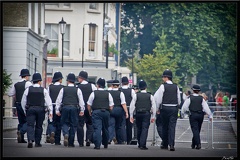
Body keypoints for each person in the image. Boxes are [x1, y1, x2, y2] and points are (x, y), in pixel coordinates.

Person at [21, 72, 53, 148]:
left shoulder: (28, 90)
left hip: (30, 109)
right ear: (39, 81)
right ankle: (37, 142)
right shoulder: (44, 90)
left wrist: (24, 110)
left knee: (30, 125)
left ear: (33, 81)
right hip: (41, 109)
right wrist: (50, 111)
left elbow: (23, 101)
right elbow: (48, 102)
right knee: (39, 126)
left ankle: (30, 140)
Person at [55, 73, 85, 147]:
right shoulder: (78, 90)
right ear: (74, 81)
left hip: (65, 107)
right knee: (73, 124)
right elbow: (81, 101)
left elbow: (58, 100)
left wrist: (57, 110)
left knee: (64, 122)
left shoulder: (63, 89)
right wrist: (82, 110)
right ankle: (71, 142)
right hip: (74, 108)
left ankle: (66, 134)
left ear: (68, 81)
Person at [154, 69, 181, 151]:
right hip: (174, 108)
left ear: (166, 77)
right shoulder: (176, 86)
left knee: (165, 126)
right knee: (172, 126)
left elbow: (159, 99)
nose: (163, 79)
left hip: (165, 108)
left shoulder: (163, 86)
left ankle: (165, 144)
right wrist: (177, 106)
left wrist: (158, 108)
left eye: (163, 77)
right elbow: (178, 99)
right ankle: (172, 144)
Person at [181, 85, 213, 150]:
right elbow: (206, 108)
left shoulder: (190, 98)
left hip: (192, 115)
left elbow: (184, 107)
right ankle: (193, 144)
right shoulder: (201, 99)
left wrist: (183, 113)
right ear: (199, 91)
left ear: (193, 90)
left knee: (195, 129)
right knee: (197, 129)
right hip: (200, 115)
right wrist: (210, 115)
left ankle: (198, 144)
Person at [87, 78, 114, 149]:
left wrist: (90, 111)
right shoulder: (108, 94)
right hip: (106, 112)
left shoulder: (93, 93)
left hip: (96, 112)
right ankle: (105, 144)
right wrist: (109, 111)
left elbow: (89, 104)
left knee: (97, 128)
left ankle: (97, 145)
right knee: (105, 128)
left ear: (98, 85)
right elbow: (111, 105)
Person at [129, 80, 156, 150]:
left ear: (139, 88)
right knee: (145, 128)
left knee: (139, 128)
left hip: (138, 113)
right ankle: (142, 144)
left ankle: (139, 142)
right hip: (146, 113)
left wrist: (131, 115)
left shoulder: (136, 95)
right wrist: (153, 116)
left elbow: (132, 106)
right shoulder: (150, 96)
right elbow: (154, 106)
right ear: (146, 87)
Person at [8, 69, 32, 143]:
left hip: (18, 104)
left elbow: (10, 94)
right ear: (27, 76)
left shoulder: (16, 84)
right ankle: (21, 132)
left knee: (21, 121)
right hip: (25, 105)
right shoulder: (28, 84)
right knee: (28, 121)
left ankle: (21, 138)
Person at [76, 70, 97, 147]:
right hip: (89, 108)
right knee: (90, 124)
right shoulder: (92, 86)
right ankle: (88, 139)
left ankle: (80, 142)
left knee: (80, 125)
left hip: (80, 108)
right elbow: (96, 95)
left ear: (81, 78)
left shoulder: (77, 86)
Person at [45, 71, 64, 145]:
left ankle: (52, 131)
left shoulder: (50, 87)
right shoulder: (63, 87)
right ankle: (57, 140)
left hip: (51, 106)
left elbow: (47, 97)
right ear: (59, 79)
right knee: (59, 123)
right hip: (59, 107)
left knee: (51, 121)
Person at [108, 80, 128, 145]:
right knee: (119, 126)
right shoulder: (121, 93)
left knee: (111, 125)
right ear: (118, 86)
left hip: (111, 110)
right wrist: (126, 112)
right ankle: (120, 140)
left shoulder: (109, 92)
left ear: (112, 85)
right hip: (119, 110)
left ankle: (109, 138)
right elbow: (123, 103)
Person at [120, 76, 136, 145]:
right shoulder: (131, 90)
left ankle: (122, 139)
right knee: (129, 126)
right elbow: (134, 100)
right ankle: (129, 140)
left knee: (121, 125)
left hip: (121, 108)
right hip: (129, 108)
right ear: (128, 83)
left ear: (122, 83)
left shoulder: (119, 90)